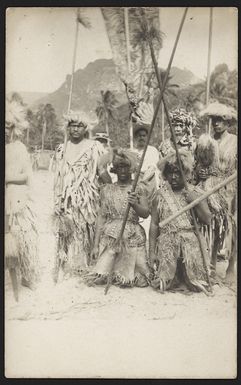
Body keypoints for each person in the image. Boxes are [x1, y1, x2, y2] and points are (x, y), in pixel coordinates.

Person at [53, 112, 111, 279]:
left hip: (87, 199)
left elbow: (101, 172)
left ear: (85, 128)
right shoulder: (62, 148)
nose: (76, 129)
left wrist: (112, 188)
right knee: (65, 230)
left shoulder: (93, 147)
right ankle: (63, 265)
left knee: (86, 229)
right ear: (68, 128)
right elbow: (58, 177)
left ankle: (87, 264)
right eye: (73, 125)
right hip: (67, 197)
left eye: (79, 126)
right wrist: (57, 197)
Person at [85, 148, 151, 287]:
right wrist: (96, 245)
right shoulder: (107, 189)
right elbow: (101, 218)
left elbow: (145, 213)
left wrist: (134, 205)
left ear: (132, 169)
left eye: (126, 167)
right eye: (119, 167)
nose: (122, 171)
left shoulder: (139, 188)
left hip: (133, 235)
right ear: (114, 169)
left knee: (139, 278)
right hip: (111, 235)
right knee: (100, 276)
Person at [149, 149, 212, 294]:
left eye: (178, 173)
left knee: (196, 284)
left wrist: (197, 202)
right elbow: (153, 225)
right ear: (165, 174)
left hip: (190, 242)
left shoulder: (194, 192)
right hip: (167, 241)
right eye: (170, 173)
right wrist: (152, 252)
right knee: (164, 283)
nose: (174, 177)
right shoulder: (159, 196)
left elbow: (207, 219)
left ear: (187, 173)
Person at [200, 102, 237, 282]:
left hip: (231, 188)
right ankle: (212, 265)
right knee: (213, 225)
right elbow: (200, 163)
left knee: (233, 226)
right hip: (212, 186)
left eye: (220, 120)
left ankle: (231, 265)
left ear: (227, 122)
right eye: (214, 120)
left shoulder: (235, 141)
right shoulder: (207, 140)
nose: (216, 124)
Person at [5, 98, 39, 296]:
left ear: (14, 128)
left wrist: (9, 178)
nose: (5, 130)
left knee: (23, 238)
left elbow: (27, 175)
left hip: (18, 198)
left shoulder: (19, 148)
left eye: (8, 127)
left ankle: (26, 276)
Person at [194, 134, 228, 278]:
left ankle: (212, 265)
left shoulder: (218, 169)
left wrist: (211, 176)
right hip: (200, 200)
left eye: (208, 152)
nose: (205, 156)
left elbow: (222, 182)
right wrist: (198, 175)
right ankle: (203, 264)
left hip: (215, 201)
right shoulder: (196, 166)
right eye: (202, 152)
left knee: (214, 234)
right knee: (200, 234)